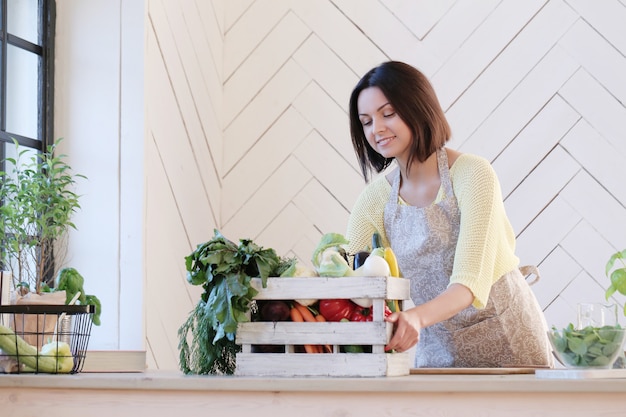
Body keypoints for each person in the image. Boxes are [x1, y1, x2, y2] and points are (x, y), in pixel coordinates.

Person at [345, 61, 553, 368]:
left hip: (510, 340)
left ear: (417, 108)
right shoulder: (374, 201)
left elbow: (468, 282)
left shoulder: (473, 174)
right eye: (366, 121)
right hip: (438, 344)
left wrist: (414, 317)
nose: (377, 129)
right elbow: (351, 281)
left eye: (388, 114)